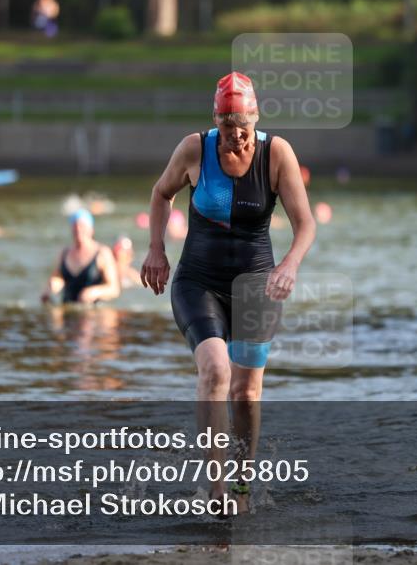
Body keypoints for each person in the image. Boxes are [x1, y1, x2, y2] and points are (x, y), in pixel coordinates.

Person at [140, 72, 316, 507]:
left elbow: (305, 224)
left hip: (257, 286)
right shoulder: (194, 148)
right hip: (198, 280)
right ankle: (216, 491)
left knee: (246, 392)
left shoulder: (277, 153)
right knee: (216, 370)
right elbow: (162, 195)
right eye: (227, 127)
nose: (235, 137)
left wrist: (289, 265)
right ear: (215, 121)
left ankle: (241, 484)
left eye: (243, 127)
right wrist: (156, 250)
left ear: (256, 118)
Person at [42, 210, 120, 305]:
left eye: (82, 226)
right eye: (75, 226)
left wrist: (94, 292)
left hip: (94, 312)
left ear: (91, 229)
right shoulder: (64, 253)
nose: (78, 229)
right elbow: (57, 277)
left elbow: (114, 289)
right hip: (68, 309)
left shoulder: (102, 253)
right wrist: (52, 286)